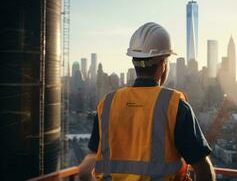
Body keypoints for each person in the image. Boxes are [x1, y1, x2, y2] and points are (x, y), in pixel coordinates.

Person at [78, 22, 215, 181]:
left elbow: (85, 171)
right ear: (163, 63)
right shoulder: (175, 106)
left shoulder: (107, 104)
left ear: (134, 62)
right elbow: (204, 170)